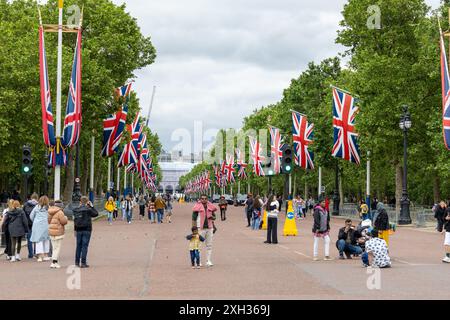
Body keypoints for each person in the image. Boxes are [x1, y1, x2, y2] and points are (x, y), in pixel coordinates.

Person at [73, 196, 99, 268]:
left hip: (78, 229)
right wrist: (92, 206)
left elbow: (75, 220)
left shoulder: (76, 210)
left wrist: (75, 229)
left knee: (78, 246)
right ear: (87, 202)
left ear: (80, 202)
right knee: (85, 246)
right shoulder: (88, 209)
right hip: (87, 229)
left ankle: (77, 262)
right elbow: (96, 214)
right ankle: (83, 262)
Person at [192, 194, 217, 267]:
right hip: (200, 228)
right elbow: (193, 219)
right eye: (202, 198)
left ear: (207, 199)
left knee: (209, 245)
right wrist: (194, 228)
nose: (204, 200)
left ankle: (208, 260)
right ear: (200, 199)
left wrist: (212, 217)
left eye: (205, 198)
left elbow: (214, 217)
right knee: (198, 245)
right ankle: (198, 261)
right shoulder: (196, 208)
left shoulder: (210, 206)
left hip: (209, 228)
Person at [48, 200, 68, 268]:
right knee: (57, 248)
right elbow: (63, 222)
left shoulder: (50, 211)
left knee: (54, 247)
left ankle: (54, 261)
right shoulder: (60, 212)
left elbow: (48, 221)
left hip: (51, 231)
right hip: (58, 232)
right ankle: (54, 262)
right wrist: (66, 218)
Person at [30, 196, 51, 262]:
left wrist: (35, 221)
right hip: (46, 225)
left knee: (38, 240)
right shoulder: (48, 208)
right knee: (46, 239)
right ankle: (45, 255)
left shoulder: (37, 207)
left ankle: (39, 256)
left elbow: (31, 216)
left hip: (37, 225)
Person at [23, 193, 39, 259]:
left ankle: (30, 254)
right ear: (37, 198)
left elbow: (23, 214)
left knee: (29, 239)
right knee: (36, 239)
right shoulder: (38, 205)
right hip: (36, 224)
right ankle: (36, 253)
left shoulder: (26, 204)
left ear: (31, 197)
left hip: (28, 224)